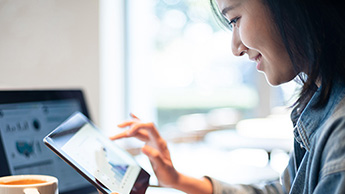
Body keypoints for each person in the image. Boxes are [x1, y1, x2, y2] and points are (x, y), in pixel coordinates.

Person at [110, 0, 345, 193]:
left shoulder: (340, 132)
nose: (235, 47)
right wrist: (177, 180)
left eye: (235, 20)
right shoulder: (323, 105)